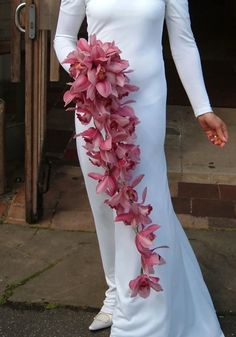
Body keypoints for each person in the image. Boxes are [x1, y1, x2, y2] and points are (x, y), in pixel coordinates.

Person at [54, 1, 228, 336]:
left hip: (145, 102)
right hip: (96, 102)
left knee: (144, 202)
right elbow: (63, 36)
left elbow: (183, 41)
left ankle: (141, 314)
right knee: (105, 204)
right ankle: (114, 294)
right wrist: (82, 69)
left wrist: (202, 107)